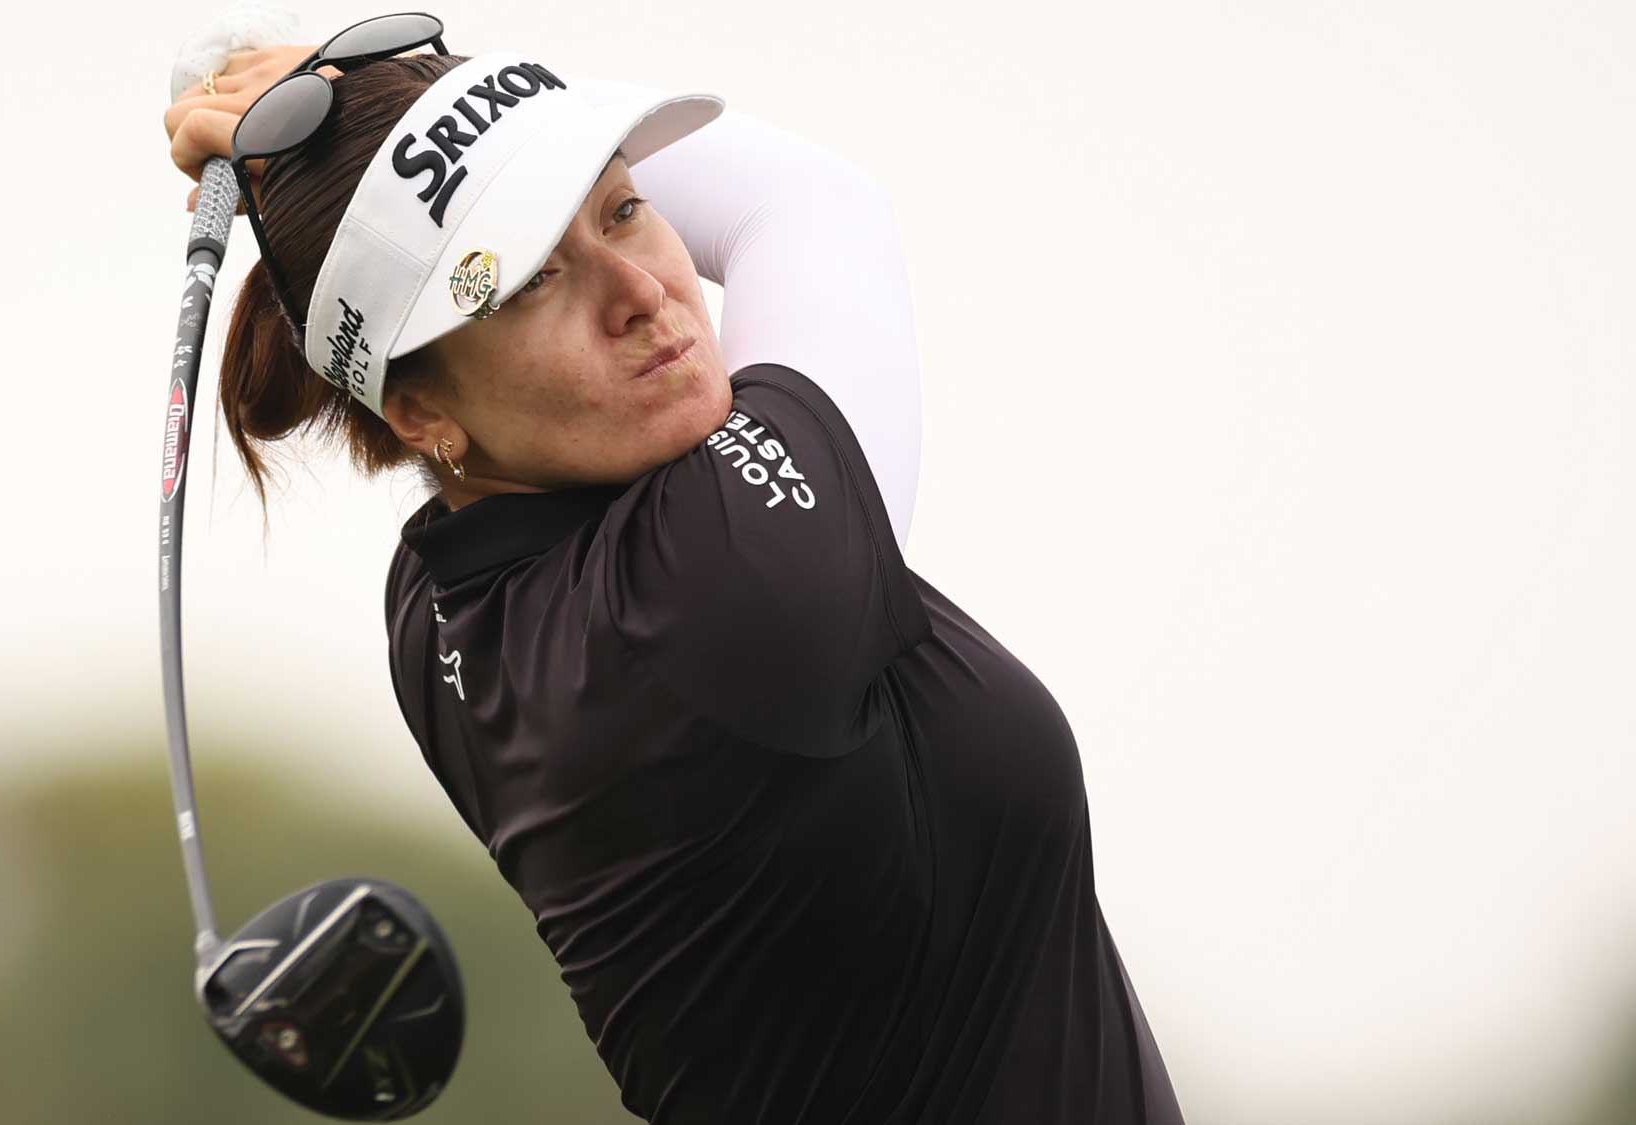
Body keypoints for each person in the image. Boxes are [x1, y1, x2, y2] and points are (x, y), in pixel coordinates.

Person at [163, 32, 1184, 1125]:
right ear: (420, 413)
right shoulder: (725, 590)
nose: (645, 290)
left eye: (620, 209)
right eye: (530, 282)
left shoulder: (440, 601)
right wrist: (434, 95)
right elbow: (806, 204)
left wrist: (421, 110)